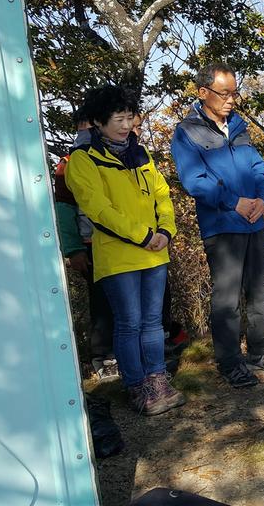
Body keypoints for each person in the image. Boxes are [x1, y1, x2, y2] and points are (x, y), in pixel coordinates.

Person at [65, 85, 185, 416]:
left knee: (152, 322)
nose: (125, 125)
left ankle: (158, 380)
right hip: (118, 257)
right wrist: (143, 235)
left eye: (129, 117)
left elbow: (162, 194)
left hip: (155, 252)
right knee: (129, 322)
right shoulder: (84, 159)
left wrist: (165, 230)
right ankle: (136, 386)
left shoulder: (141, 154)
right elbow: (98, 209)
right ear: (99, 123)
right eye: (118, 119)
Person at [171, 63, 264, 389]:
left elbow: (258, 169)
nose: (231, 100)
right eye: (224, 93)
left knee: (258, 292)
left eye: (234, 92)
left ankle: (259, 352)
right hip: (222, 226)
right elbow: (194, 181)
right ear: (203, 92)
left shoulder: (238, 126)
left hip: (254, 222)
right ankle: (230, 362)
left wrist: (262, 198)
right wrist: (234, 201)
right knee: (226, 298)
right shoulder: (188, 131)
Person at [53, 101, 117, 380]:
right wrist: (73, 249)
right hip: (90, 244)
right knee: (101, 302)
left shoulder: (114, 156)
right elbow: (64, 211)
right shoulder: (67, 165)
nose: (87, 132)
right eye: (84, 127)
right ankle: (102, 357)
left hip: (120, 241)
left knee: (120, 301)